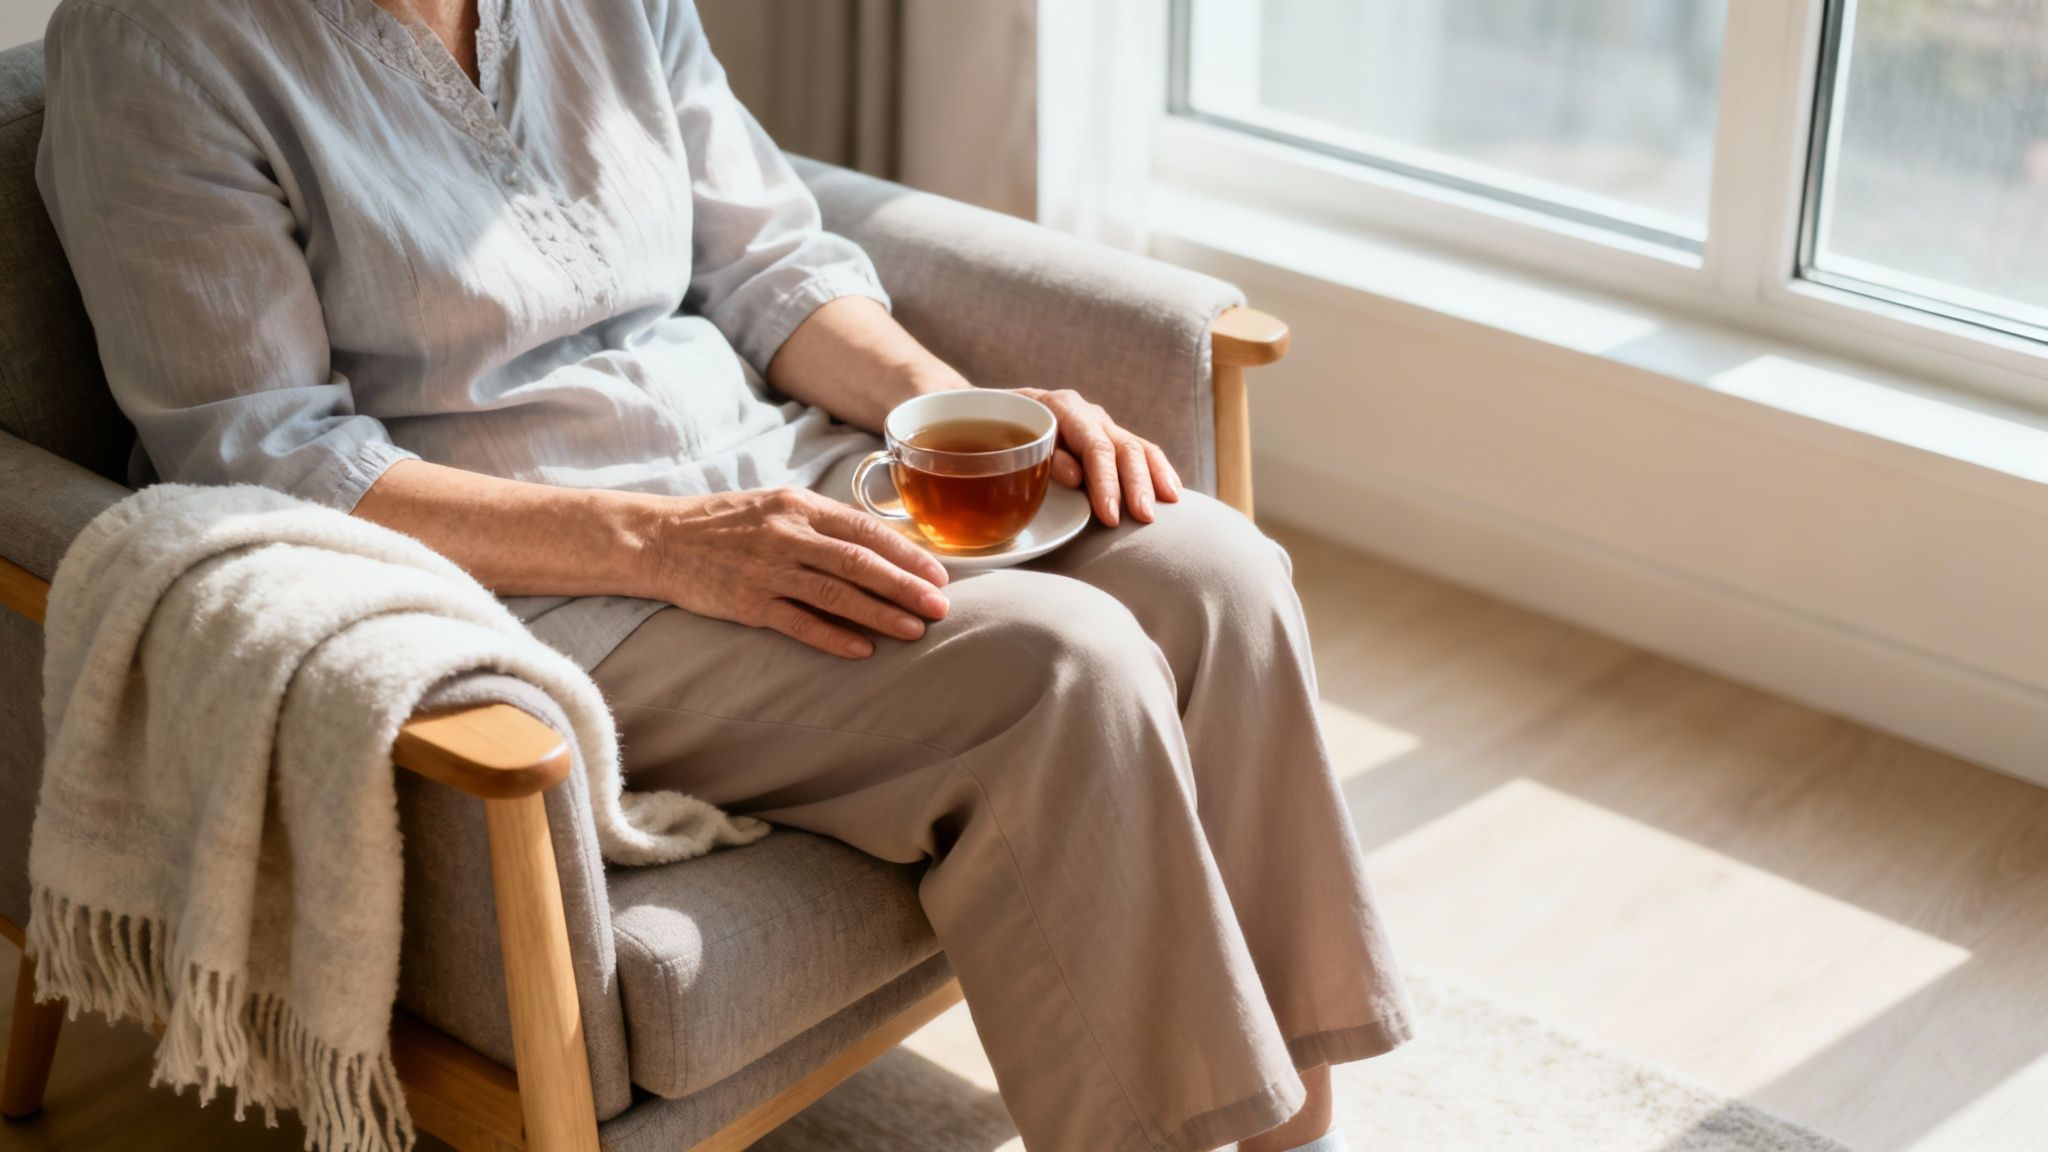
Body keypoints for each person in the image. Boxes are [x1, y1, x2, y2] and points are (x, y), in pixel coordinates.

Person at [35, 0, 1411, 1147]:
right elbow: (268, 459)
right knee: (1063, 671)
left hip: (769, 462)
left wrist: (963, 421)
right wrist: (668, 549)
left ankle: (1292, 1127)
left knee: (1218, 571)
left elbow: (766, 260)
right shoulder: (165, 48)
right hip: (543, 575)